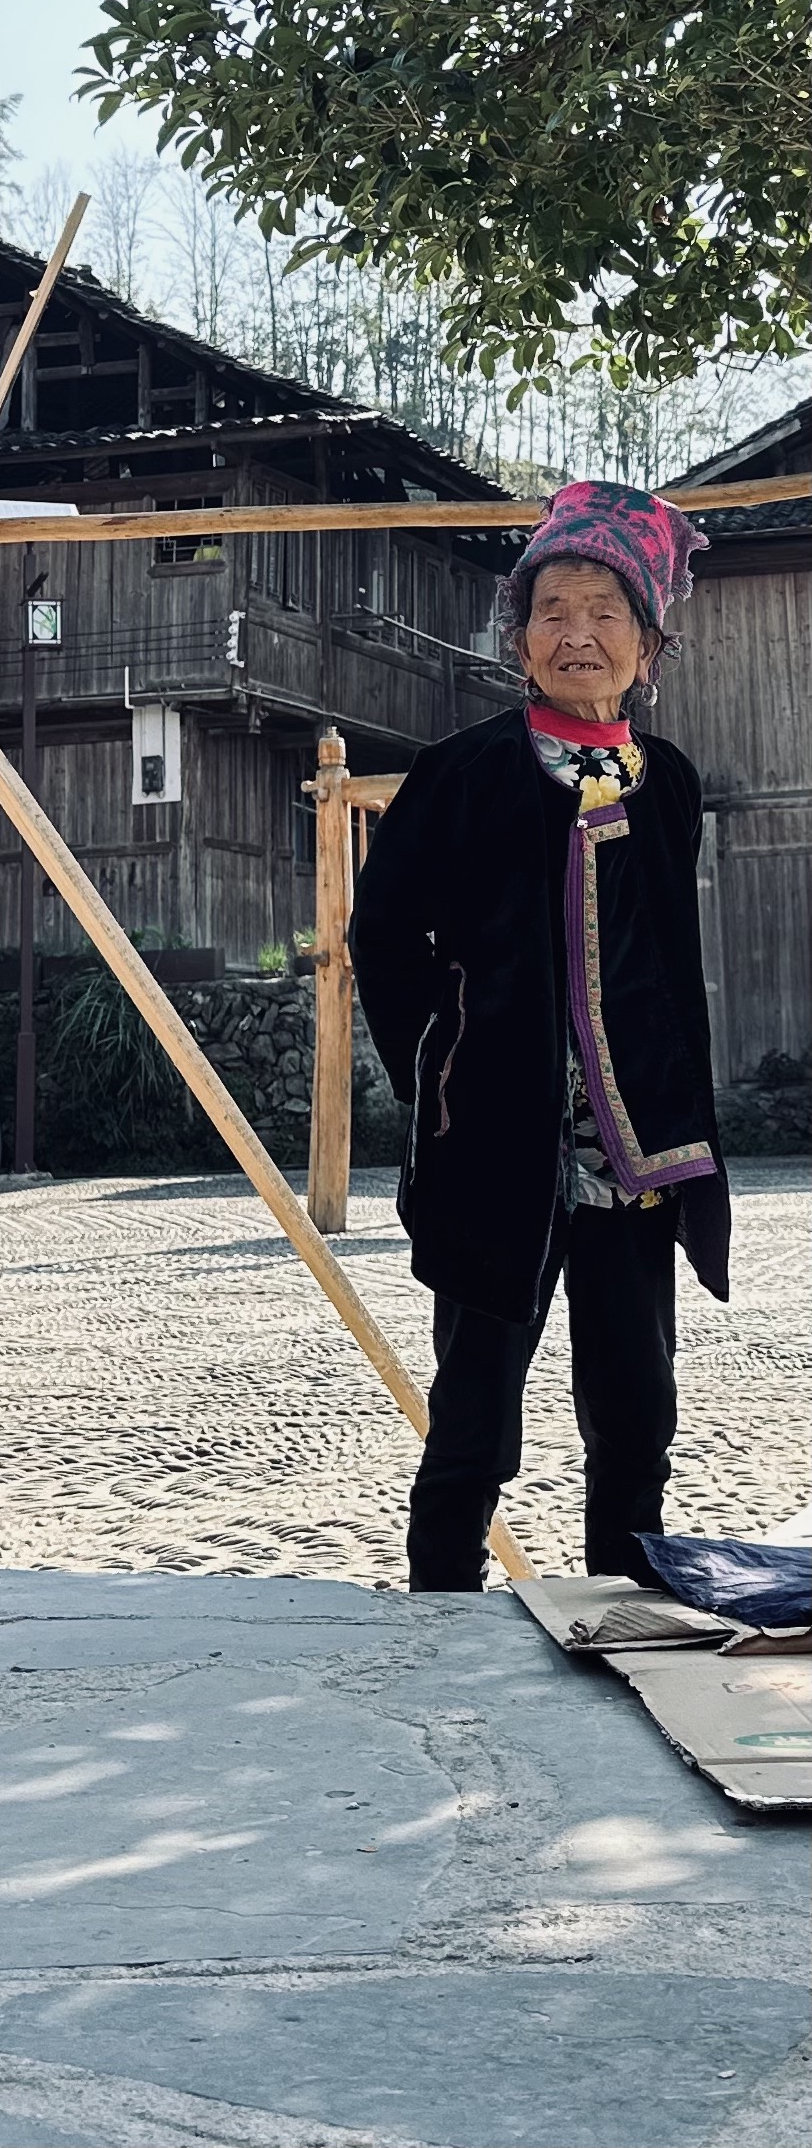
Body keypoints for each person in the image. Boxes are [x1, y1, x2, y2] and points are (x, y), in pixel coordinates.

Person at [352, 482, 731, 1592]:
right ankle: (439, 1614)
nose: (577, 633)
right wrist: (443, 1066)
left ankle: (625, 1608)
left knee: (634, 1407)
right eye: (552, 609)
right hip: (494, 1148)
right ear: (517, 638)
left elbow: (666, 973)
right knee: (473, 1410)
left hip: (633, 1156)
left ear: (647, 642)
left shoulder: (667, 789)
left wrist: (682, 1122)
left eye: (606, 612)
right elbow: (383, 940)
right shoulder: (462, 771)